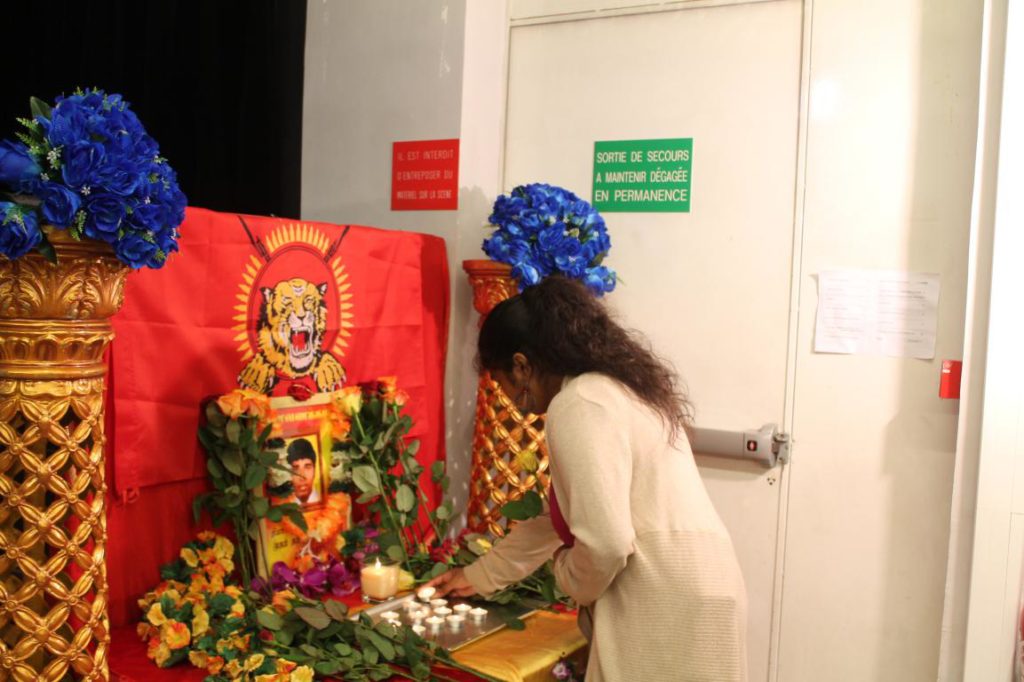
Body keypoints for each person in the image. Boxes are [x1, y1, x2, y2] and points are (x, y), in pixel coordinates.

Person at [428, 276, 747, 681]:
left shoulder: (579, 402)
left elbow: (606, 542)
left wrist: (567, 574)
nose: (510, 401)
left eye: (503, 383)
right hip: (703, 585)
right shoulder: (619, 390)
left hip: (663, 596)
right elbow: (555, 518)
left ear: (521, 366)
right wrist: (477, 577)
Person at [286, 438, 321, 505]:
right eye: (295, 468)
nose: (302, 477)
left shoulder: (329, 502)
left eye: (307, 467)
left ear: (315, 470)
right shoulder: (282, 506)